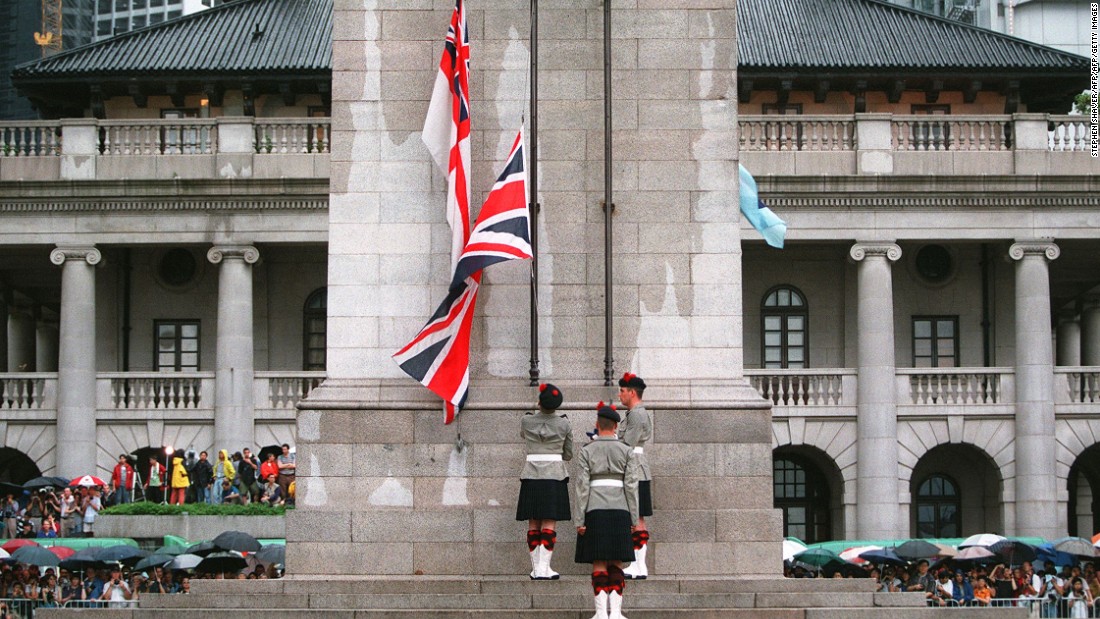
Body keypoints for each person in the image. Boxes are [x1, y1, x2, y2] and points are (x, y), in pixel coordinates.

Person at [574, 402, 641, 619]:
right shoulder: (627, 451)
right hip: (620, 511)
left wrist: (579, 519)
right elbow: (632, 487)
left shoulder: (587, 450)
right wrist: (633, 518)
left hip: (595, 511)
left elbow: (582, 487)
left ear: (597, 424)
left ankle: (601, 613)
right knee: (617, 561)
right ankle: (617, 613)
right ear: (615, 426)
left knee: (599, 562)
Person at [516, 383, 573, 580]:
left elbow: (524, 435)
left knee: (533, 521)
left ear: (539, 402)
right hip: (554, 476)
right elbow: (568, 454)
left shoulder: (526, 421)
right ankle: (544, 568)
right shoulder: (564, 424)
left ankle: (536, 569)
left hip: (531, 475)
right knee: (549, 522)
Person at [616, 372, 652, 580]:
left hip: (635, 471)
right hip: (636, 469)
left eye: (622, 391)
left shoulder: (637, 414)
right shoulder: (634, 413)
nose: (619, 395)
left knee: (637, 518)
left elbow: (627, 445)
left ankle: (639, 565)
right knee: (637, 518)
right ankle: (638, 564)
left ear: (631, 392)